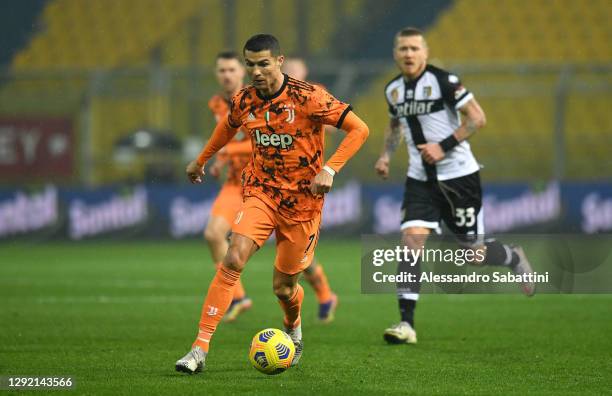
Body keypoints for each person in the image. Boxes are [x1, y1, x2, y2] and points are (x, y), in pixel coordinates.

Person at [176, 33, 369, 374]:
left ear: (279, 61)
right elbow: (227, 126)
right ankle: (199, 348)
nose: (256, 71)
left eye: (263, 63)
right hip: (261, 192)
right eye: (250, 64)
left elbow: (359, 129)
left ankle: (294, 328)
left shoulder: (309, 97)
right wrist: (202, 159)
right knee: (233, 257)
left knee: (284, 287)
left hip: (303, 204)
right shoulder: (246, 100)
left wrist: (329, 169)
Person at [374, 27, 535, 345]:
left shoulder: (444, 81)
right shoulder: (393, 90)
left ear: (425, 52)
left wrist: (442, 146)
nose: (408, 54)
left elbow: (477, 118)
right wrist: (385, 155)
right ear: (395, 54)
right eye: (403, 48)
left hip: (459, 177)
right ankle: (407, 324)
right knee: (411, 241)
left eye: (414, 49)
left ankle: (513, 257)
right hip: (420, 179)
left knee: (474, 253)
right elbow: (395, 126)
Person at [281, 56, 339, 323]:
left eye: (297, 71)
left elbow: (338, 125)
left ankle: (326, 294)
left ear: (306, 74)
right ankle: (235, 295)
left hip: (305, 185)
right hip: (269, 184)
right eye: (288, 71)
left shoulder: (315, 95)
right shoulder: (271, 98)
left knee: (301, 255)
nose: (292, 74)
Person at [204, 51, 252, 322]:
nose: (226, 75)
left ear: (242, 72)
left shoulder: (256, 100)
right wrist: (220, 161)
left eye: (231, 69)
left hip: (264, 182)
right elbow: (228, 138)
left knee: (293, 255)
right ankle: (239, 296)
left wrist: (228, 151)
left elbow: (257, 142)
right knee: (213, 235)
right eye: (222, 70)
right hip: (235, 184)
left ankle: (325, 295)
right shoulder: (216, 104)